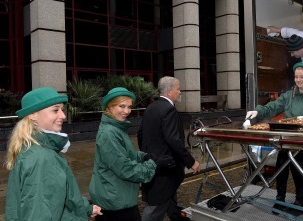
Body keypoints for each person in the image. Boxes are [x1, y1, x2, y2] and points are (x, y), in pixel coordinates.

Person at [244, 61, 303, 216]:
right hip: (291, 142)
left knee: (292, 155)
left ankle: (301, 201)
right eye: (296, 77)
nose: (298, 80)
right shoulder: (290, 94)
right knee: (283, 155)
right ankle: (280, 198)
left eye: (302, 77)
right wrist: (258, 111)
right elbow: (274, 106)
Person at [5, 87, 102, 220]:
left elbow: (61, 196)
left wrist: (87, 208)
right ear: (33, 115)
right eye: (55, 110)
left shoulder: (32, 148)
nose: (63, 115)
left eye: (62, 109)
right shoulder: (41, 158)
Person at [89, 87, 159, 221]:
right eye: (122, 106)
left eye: (129, 107)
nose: (126, 111)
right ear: (109, 107)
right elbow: (124, 168)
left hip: (116, 197)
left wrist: (143, 156)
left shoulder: (116, 127)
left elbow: (124, 154)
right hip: (116, 200)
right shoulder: (109, 133)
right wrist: (152, 165)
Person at [138, 76, 201, 221]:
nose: (180, 93)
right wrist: (191, 162)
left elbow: (141, 134)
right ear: (169, 91)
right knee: (155, 207)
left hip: (155, 164)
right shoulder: (168, 109)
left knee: (169, 198)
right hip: (166, 167)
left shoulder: (151, 107)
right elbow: (174, 141)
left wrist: (149, 155)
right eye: (178, 89)